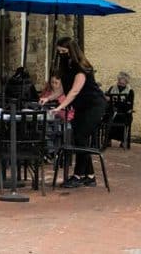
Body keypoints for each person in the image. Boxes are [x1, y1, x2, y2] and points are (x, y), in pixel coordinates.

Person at [39, 37, 108, 188]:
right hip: (81, 107)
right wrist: (48, 98)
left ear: (72, 51)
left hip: (94, 106)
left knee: (81, 137)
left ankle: (78, 175)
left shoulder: (81, 69)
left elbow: (74, 91)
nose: (61, 55)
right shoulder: (67, 69)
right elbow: (62, 89)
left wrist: (60, 106)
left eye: (64, 52)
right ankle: (89, 176)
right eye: (59, 52)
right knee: (79, 139)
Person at [105, 72, 134, 147]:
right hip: (112, 111)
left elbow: (129, 104)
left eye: (122, 83)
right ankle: (108, 139)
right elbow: (106, 98)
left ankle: (123, 140)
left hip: (123, 113)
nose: (120, 84)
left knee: (125, 118)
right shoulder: (112, 88)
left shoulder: (130, 91)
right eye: (119, 82)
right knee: (108, 117)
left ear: (126, 82)